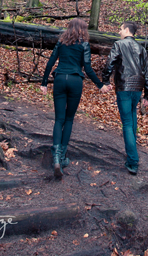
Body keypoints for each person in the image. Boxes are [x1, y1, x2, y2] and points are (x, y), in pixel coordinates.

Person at [41, 18, 103, 178]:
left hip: (60, 78)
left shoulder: (61, 42)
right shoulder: (84, 44)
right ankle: (62, 157)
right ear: (83, 30)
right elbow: (88, 68)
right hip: (75, 80)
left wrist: (44, 82)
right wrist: (100, 85)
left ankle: (55, 156)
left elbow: (51, 62)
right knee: (69, 119)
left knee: (59, 119)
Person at [101, 21, 148, 175]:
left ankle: (133, 160)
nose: (119, 31)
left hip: (124, 87)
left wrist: (105, 80)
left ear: (127, 30)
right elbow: (147, 72)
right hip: (137, 88)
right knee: (132, 118)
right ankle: (132, 154)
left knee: (127, 123)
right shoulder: (141, 49)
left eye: (120, 28)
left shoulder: (119, 45)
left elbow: (109, 63)